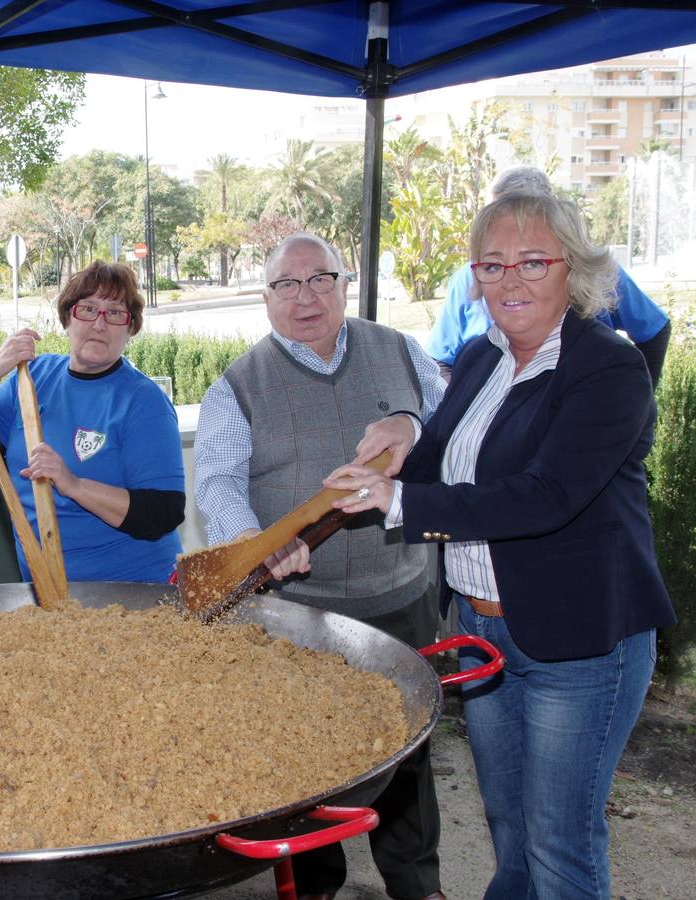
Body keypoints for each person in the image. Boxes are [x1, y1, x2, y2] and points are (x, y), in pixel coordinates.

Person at [326, 191, 675, 899]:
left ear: (572, 268)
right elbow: (449, 445)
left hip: (578, 644)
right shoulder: (485, 353)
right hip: (483, 631)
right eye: (491, 265)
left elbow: (545, 496)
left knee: (560, 846)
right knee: (509, 828)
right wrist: (401, 434)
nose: (509, 281)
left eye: (532, 262)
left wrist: (402, 502)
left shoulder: (607, 368)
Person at [194, 233, 448, 900]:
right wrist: (253, 541)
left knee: (407, 757)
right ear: (265, 296)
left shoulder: (399, 350)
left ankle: (417, 884)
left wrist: (412, 425)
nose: (304, 297)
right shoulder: (237, 385)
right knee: (306, 757)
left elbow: (451, 422)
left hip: (398, 592)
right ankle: (313, 886)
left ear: (344, 283)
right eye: (286, 284)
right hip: (300, 611)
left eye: (319, 280)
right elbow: (217, 481)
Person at [0, 261, 184, 583]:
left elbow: (163, 513)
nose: (100, 324)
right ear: (67, 317)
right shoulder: (33, 377)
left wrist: (73, 484)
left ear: (131, 327)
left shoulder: (143, 402)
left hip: (134, 592)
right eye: (88, 309)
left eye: (115, 313)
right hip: (48, 592)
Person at [425, 165, 670, 385]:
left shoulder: (602, 274)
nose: (511, 281)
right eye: (496, 215)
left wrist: (641, 394)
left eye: (533, 263)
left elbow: (653, 329)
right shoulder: (468, 279)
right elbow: (439, 360)